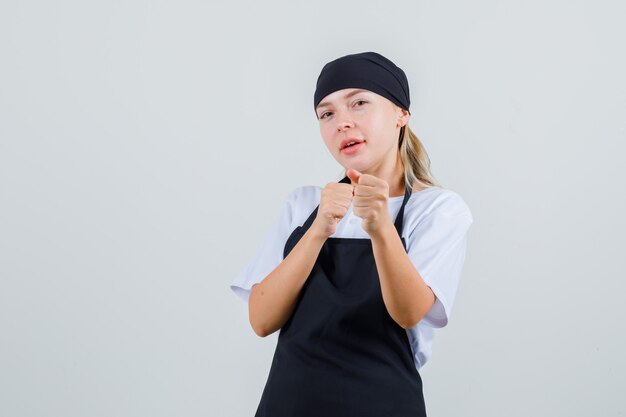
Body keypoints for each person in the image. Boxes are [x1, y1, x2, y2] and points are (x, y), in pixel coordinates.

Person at [230, 51, 474, 416]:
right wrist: (318, 229)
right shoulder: (305, 205)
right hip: (288, 406)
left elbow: (409, 313)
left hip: (383, 406)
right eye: (327, 113)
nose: (342, 122)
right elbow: (261, 319)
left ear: (401, 114)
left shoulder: (439, 209)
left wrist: (380, 228)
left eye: (359, 103)